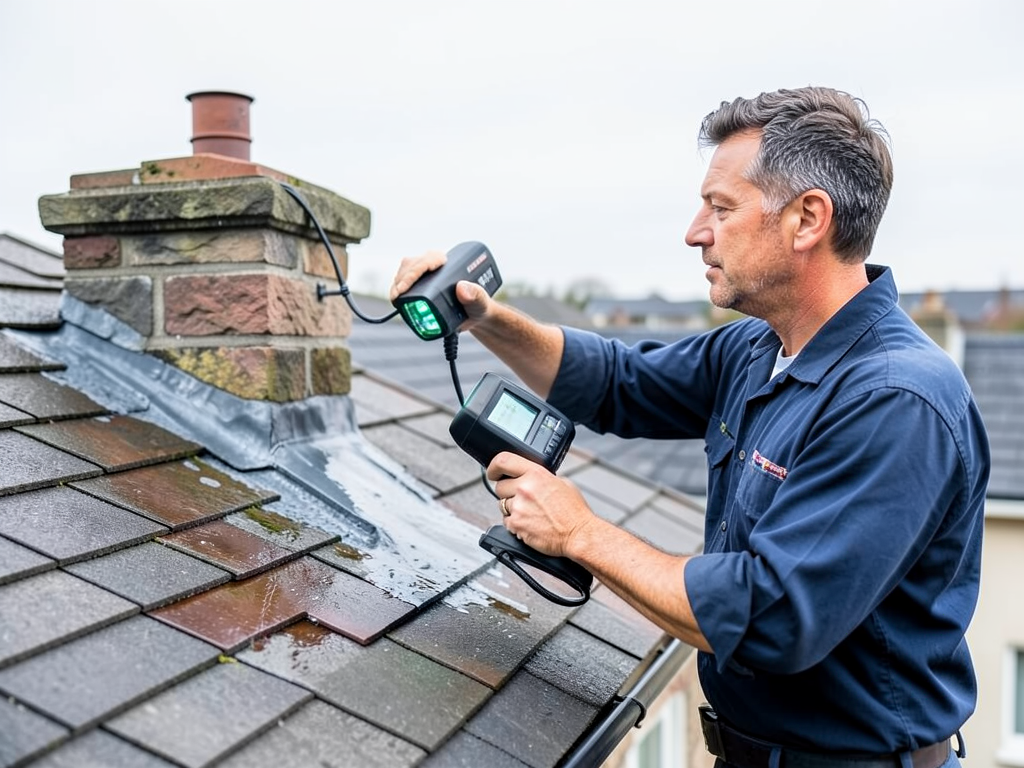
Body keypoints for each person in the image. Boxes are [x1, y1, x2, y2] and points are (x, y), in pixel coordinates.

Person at [390, 86, 989, 768]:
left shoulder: (894, 400)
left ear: (806, 219)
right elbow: (616, 383)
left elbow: (771, 617)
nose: (695, 231)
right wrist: (484, 317)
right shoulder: (759, 347)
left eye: (721, 208)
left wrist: (578, 532)